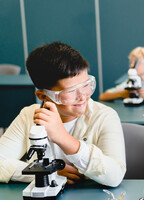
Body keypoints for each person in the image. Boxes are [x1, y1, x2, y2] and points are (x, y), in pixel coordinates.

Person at [0, 42, 126, 187]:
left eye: (86, 85)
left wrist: (64, 138)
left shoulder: (105, 116)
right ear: (43, 96)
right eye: (71, 91)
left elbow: (115, 175)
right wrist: (47, 173)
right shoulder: (29, 116)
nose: (83, 96)